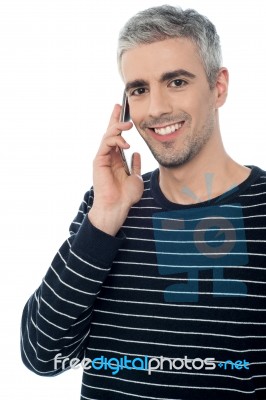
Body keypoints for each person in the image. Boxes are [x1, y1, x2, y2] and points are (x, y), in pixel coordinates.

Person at [20, 5, 266, 399]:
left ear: (218, 87)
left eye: (177, 82)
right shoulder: (106, 208)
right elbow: (42, 355)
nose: (155, 109)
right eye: (139, 89)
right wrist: (104, 217)